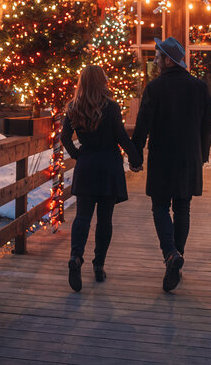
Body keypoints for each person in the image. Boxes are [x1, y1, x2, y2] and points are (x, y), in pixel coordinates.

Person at [131, 36, 211, 292]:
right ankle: (177, 257)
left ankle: (170, 254)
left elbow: (143, 124)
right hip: (189, 158)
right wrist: (203, 155)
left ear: (169, 60)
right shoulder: (199, 87)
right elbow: (207, 125)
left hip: (162, 157)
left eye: (158, 56)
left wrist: (135, 156)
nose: (155, 60)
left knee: (159, 207)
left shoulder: (154, 88)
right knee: (183, 208)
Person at [60, 64, 142, 292]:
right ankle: (98, 265)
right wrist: (136, 159)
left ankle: (76, 257)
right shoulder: (112, 107)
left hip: (87, 166)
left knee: (83, 216)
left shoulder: (74, 107)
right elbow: (121, 137)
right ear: (102, 82)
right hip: (109, 168)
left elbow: (64, 137)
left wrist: (78, 155)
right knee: (105, 219)